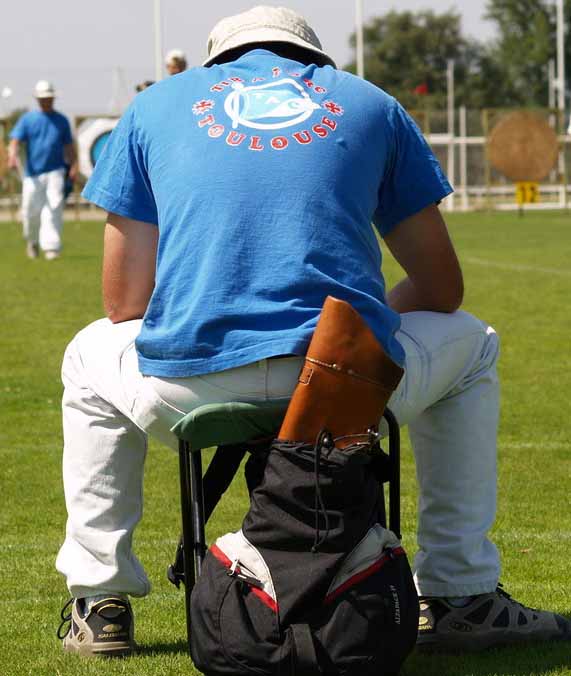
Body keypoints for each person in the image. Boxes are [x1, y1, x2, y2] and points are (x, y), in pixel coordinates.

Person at [55, 5, 570, 658]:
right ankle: (460, 592)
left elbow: (123, 301)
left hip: (192, 385)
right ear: (313, 60)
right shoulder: (369, 103)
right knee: (472, 344)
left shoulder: (156, 106)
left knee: (85, 353)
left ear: (218, 62)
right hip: (346, 385)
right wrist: (352, 324)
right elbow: (441, 291)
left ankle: (100, 599)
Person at [8, 80, 76, 259]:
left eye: (49, 98)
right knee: (30, 210)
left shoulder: (61, 120)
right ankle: (32, 241)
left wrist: (73, 165)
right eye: (43, 98)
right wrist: (13, 156)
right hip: (32, 174)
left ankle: (51, 247)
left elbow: (69, 145)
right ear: (38, 99)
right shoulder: (28, 119)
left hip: (56, 170)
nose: (47, 101)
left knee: (53, 207)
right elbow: (15, 140)